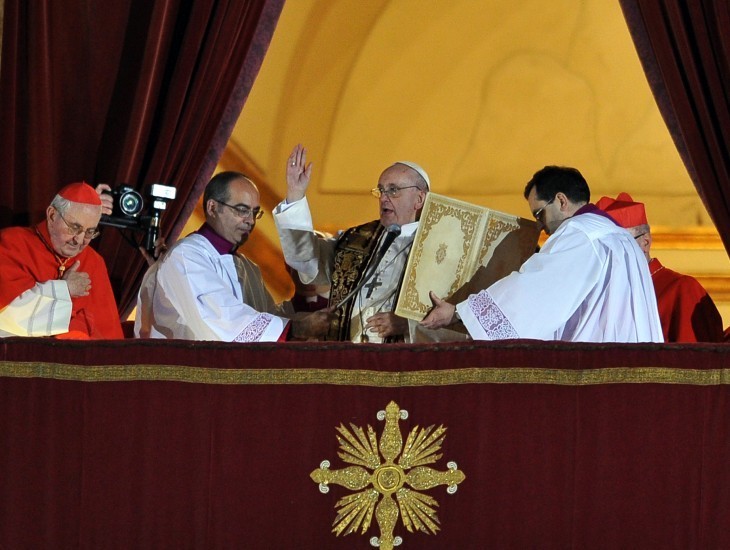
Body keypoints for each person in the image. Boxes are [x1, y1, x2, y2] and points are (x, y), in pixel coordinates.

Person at [421, 166, 663, 343]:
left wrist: (458, 312)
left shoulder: (579, 234)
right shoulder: (617, 236)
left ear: (561, 200)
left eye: (539, 214)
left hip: (597, 363)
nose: (540, 225)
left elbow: (534, 289)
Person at [134, 171, 329, 342]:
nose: (251, 221)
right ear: (212, 208)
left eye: (255, 212)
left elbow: (267, 317)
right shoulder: (186, 256)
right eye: (242, 210)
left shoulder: (246, 266)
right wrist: (297, 328)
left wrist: (311, 305)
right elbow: (224, 320)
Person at [273, 144, 430, 343]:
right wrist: (295, 195)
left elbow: (455, 321)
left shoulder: (438, 248)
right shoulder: (355, 238)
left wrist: (408, 324)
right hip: (347, 357)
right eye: (380, 190)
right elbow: (306, 259)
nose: (383, 198)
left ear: (419, 199)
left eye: (393, 190)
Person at [0, 182, 123, 339]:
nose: (79, 240)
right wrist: (64, 289)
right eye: (74, 228)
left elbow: (108, 335)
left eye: (90, 232)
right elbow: (8, 316)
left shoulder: (94, 262)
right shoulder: (11, 244)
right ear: (52, 215)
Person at [596, 193, 724, 343]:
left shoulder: (681, 289)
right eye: (603, 247)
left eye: (620, 244)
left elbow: (696, 360)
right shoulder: (601, 294)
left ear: (645, 242)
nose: (611, 253)